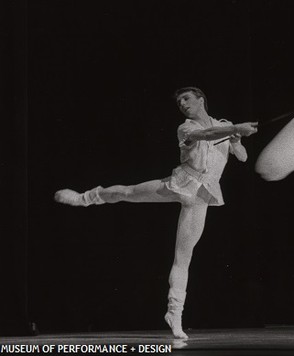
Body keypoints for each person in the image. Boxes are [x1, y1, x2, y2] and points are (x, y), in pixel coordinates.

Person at [54, 87, 258, 339]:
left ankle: (174, 313)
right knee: (128, 192)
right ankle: (85, 198)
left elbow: (243, 157)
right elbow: (205, 134)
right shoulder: (186, 128)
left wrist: (236, 140)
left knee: (184, 258)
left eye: (187, 99)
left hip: (202, 196)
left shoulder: (224, 125)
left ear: (201, 100)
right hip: (181, 183)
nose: (182, 104)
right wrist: (235, 128)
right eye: (179, 102)